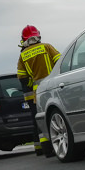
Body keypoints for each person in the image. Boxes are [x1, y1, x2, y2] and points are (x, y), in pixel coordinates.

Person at [16, 25, 61, 156]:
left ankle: (44, 148)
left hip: (37, 92)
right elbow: (59, 61)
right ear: (38, 36)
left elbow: (22, 77)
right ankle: (54, 144)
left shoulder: (23, 55)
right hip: (52, 86)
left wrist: (32, 83)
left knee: (39, 119)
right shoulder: (47, 47)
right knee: (54, 115)